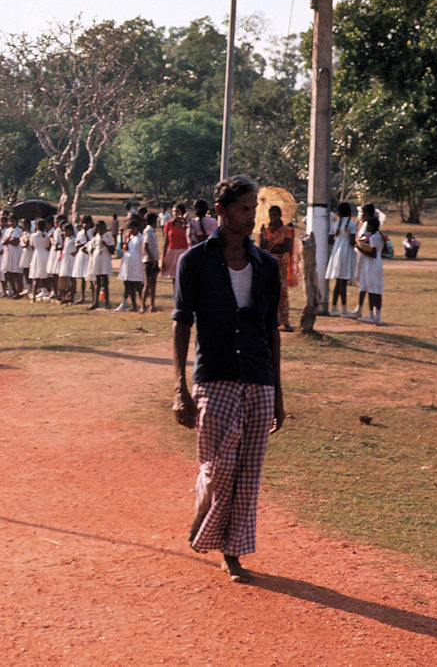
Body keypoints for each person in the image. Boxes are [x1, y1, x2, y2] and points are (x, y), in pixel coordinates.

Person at [172, 174, 286, 584]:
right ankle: (205, 509)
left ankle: (232, 552)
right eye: (243, 208)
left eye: (253, 207)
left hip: (258, 378)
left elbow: (271, 331)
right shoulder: (195, 262)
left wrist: (279, 395)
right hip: (214, 377)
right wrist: (179, 389)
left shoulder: (267, 265)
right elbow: (183, 324)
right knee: (218, 469)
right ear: (220, 211)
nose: (250, 215)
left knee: (248, 474)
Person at [258, 205, 297, 332]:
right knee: (268, 291)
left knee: (282, 291)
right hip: (268, 263)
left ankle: (285, 321)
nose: (273, 217)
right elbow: (262, 246)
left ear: (280, 216)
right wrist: (263, 234)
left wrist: (271, 249)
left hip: (281, 263)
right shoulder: (266, 229)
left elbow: (286, 246)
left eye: (276, 215)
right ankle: (269, 320)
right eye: (272, 215)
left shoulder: (286, 230)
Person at [324, 202, 359, 317]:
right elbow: (352, 241)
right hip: (346, 252)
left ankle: (334, 307)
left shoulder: (335, 224)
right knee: (343, 281)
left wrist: (338, 243)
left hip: (337, 251)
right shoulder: (352, 224)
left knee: (338, 281)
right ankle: (343, 308)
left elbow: (329, 240)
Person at [354, 203, 386, 324]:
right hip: (378, 263)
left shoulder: (373, 238)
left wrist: (360, 248)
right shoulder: (380, 236)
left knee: (371, 288)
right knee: (377, 289)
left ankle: (372, 315)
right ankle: (377, 316)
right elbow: (384, 250)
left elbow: (371, 253)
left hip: (371, 263)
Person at [162, 204, 189, 279]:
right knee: (175, 278)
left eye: (177, 211)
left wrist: (185, 223)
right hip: (172, 252)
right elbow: (166, 242)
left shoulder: (187, 224)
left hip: (184, 251)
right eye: (173, 211)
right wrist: (163, 258)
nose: (175, 213)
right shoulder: (169, 224)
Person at [141, 212, 161, 312]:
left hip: (154, 260)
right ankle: (142, 306)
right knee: (148, 283)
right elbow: (146, 246)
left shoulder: (152, 231)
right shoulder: (148, 231)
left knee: (153, 283)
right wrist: (152, 258)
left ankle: (152, 305)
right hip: (149, 260)